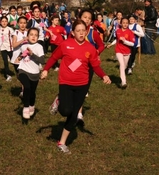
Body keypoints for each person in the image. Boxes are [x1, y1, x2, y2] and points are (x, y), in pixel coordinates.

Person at [41, 19, 111, 154]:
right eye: (77, 31)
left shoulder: (90, 48)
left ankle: (61, 142)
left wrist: (104, 76)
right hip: (66, 82)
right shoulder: (65, 44)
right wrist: (46, 69)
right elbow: (54, 58)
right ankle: (59, 99)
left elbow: (95, 66)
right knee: (65, 111)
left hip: (82, 84)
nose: (80, 33)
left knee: (73, 117)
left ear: (86, 32)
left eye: (83, 31)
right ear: (72, 32)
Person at [15, 28, 45, 119]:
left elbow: (42, 61)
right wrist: (19, 58)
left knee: (32, 92)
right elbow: (22, 54)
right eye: (31, 34)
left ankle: (32, 105)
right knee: (26, 87)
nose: (33, 36)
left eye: (36, 35)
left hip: (34, 73)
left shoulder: (39, 47)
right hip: (23, 70)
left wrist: (32, 54)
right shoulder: (24, 46)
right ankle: (26, 107)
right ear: (27, 36)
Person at [106, 17, 135, 88]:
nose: (125, 24)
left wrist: (125, 41)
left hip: (127, 52)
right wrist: (111, 44)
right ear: (121, 23)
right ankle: (123, 82)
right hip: (118, 51)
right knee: (122, 65)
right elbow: (117, 40)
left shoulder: (130, 32)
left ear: (128, 24)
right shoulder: (118, 31)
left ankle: (122, 77)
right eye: (123, 23)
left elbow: (132, 44)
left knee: (124, 66)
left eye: (126, 23)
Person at [10, 16, 28, 97]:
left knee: (25, 75)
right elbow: (14, 45)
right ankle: (24, 87)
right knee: (19, 76)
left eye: (24, 23)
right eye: (21, 23)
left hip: (26, 57)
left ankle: (24, 90)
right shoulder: (16, 33)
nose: (23, 25)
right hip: (16, 58)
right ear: (18, 24)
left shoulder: (29, 32)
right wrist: (23, 40)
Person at [0, 16, 14, 82]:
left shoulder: (10, 29)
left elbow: (14, 37)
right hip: (2, 48)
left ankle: (19, 70)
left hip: (10, 47)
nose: (4, 23)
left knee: (13, 61)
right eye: (3, 21)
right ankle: (8, 75)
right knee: (5, 61)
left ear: (7, 22)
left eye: (5, 21)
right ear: (0, 22)